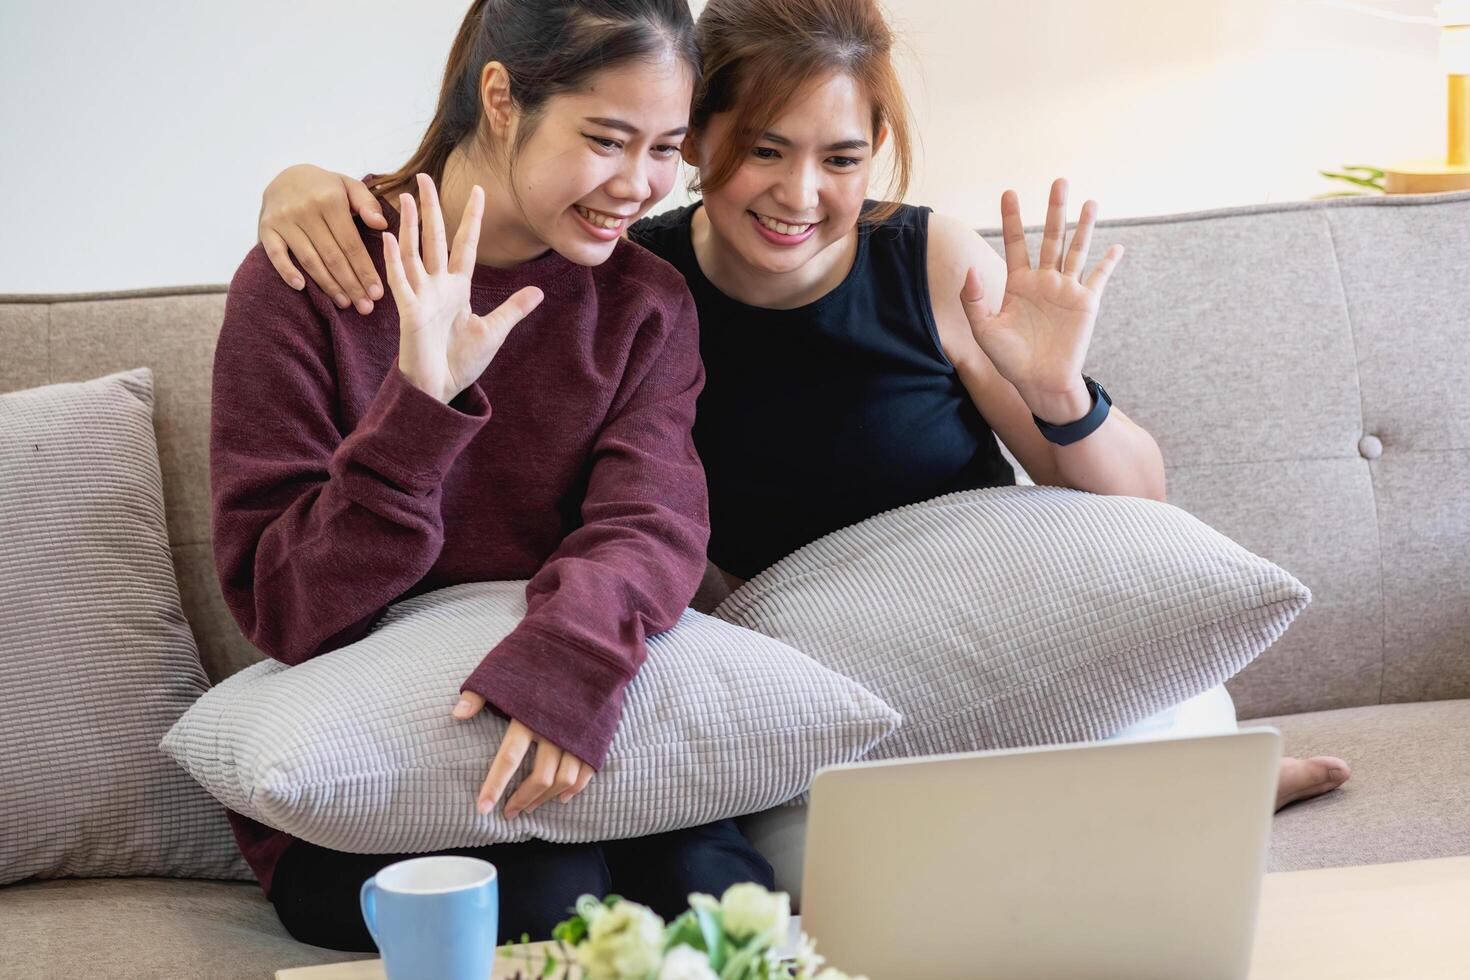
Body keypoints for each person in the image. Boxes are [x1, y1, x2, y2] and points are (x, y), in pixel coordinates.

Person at [250, 0, 1351, 816]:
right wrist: (296, 182)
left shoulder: (919, 261)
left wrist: (1059, 390)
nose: (801, 193)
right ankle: (1166, 802)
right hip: (801, 671)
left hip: (993, 634)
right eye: (761, 150)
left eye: (841, 157)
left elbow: (1136, 512)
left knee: (1157, 738)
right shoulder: (637, 281)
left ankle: (1178, 791)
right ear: (706, 144)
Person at [210, 0, 774, 952]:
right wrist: (419, 408)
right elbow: (285, 607)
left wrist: (567, 667)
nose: (640, 185)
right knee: (552, 896)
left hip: (576, 723)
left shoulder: (643, 302)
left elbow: (652, 523)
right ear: (503, 97)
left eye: (665, 148)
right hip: (366, 771)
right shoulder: (315, 279)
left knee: (719, 899)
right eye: (607, 138)